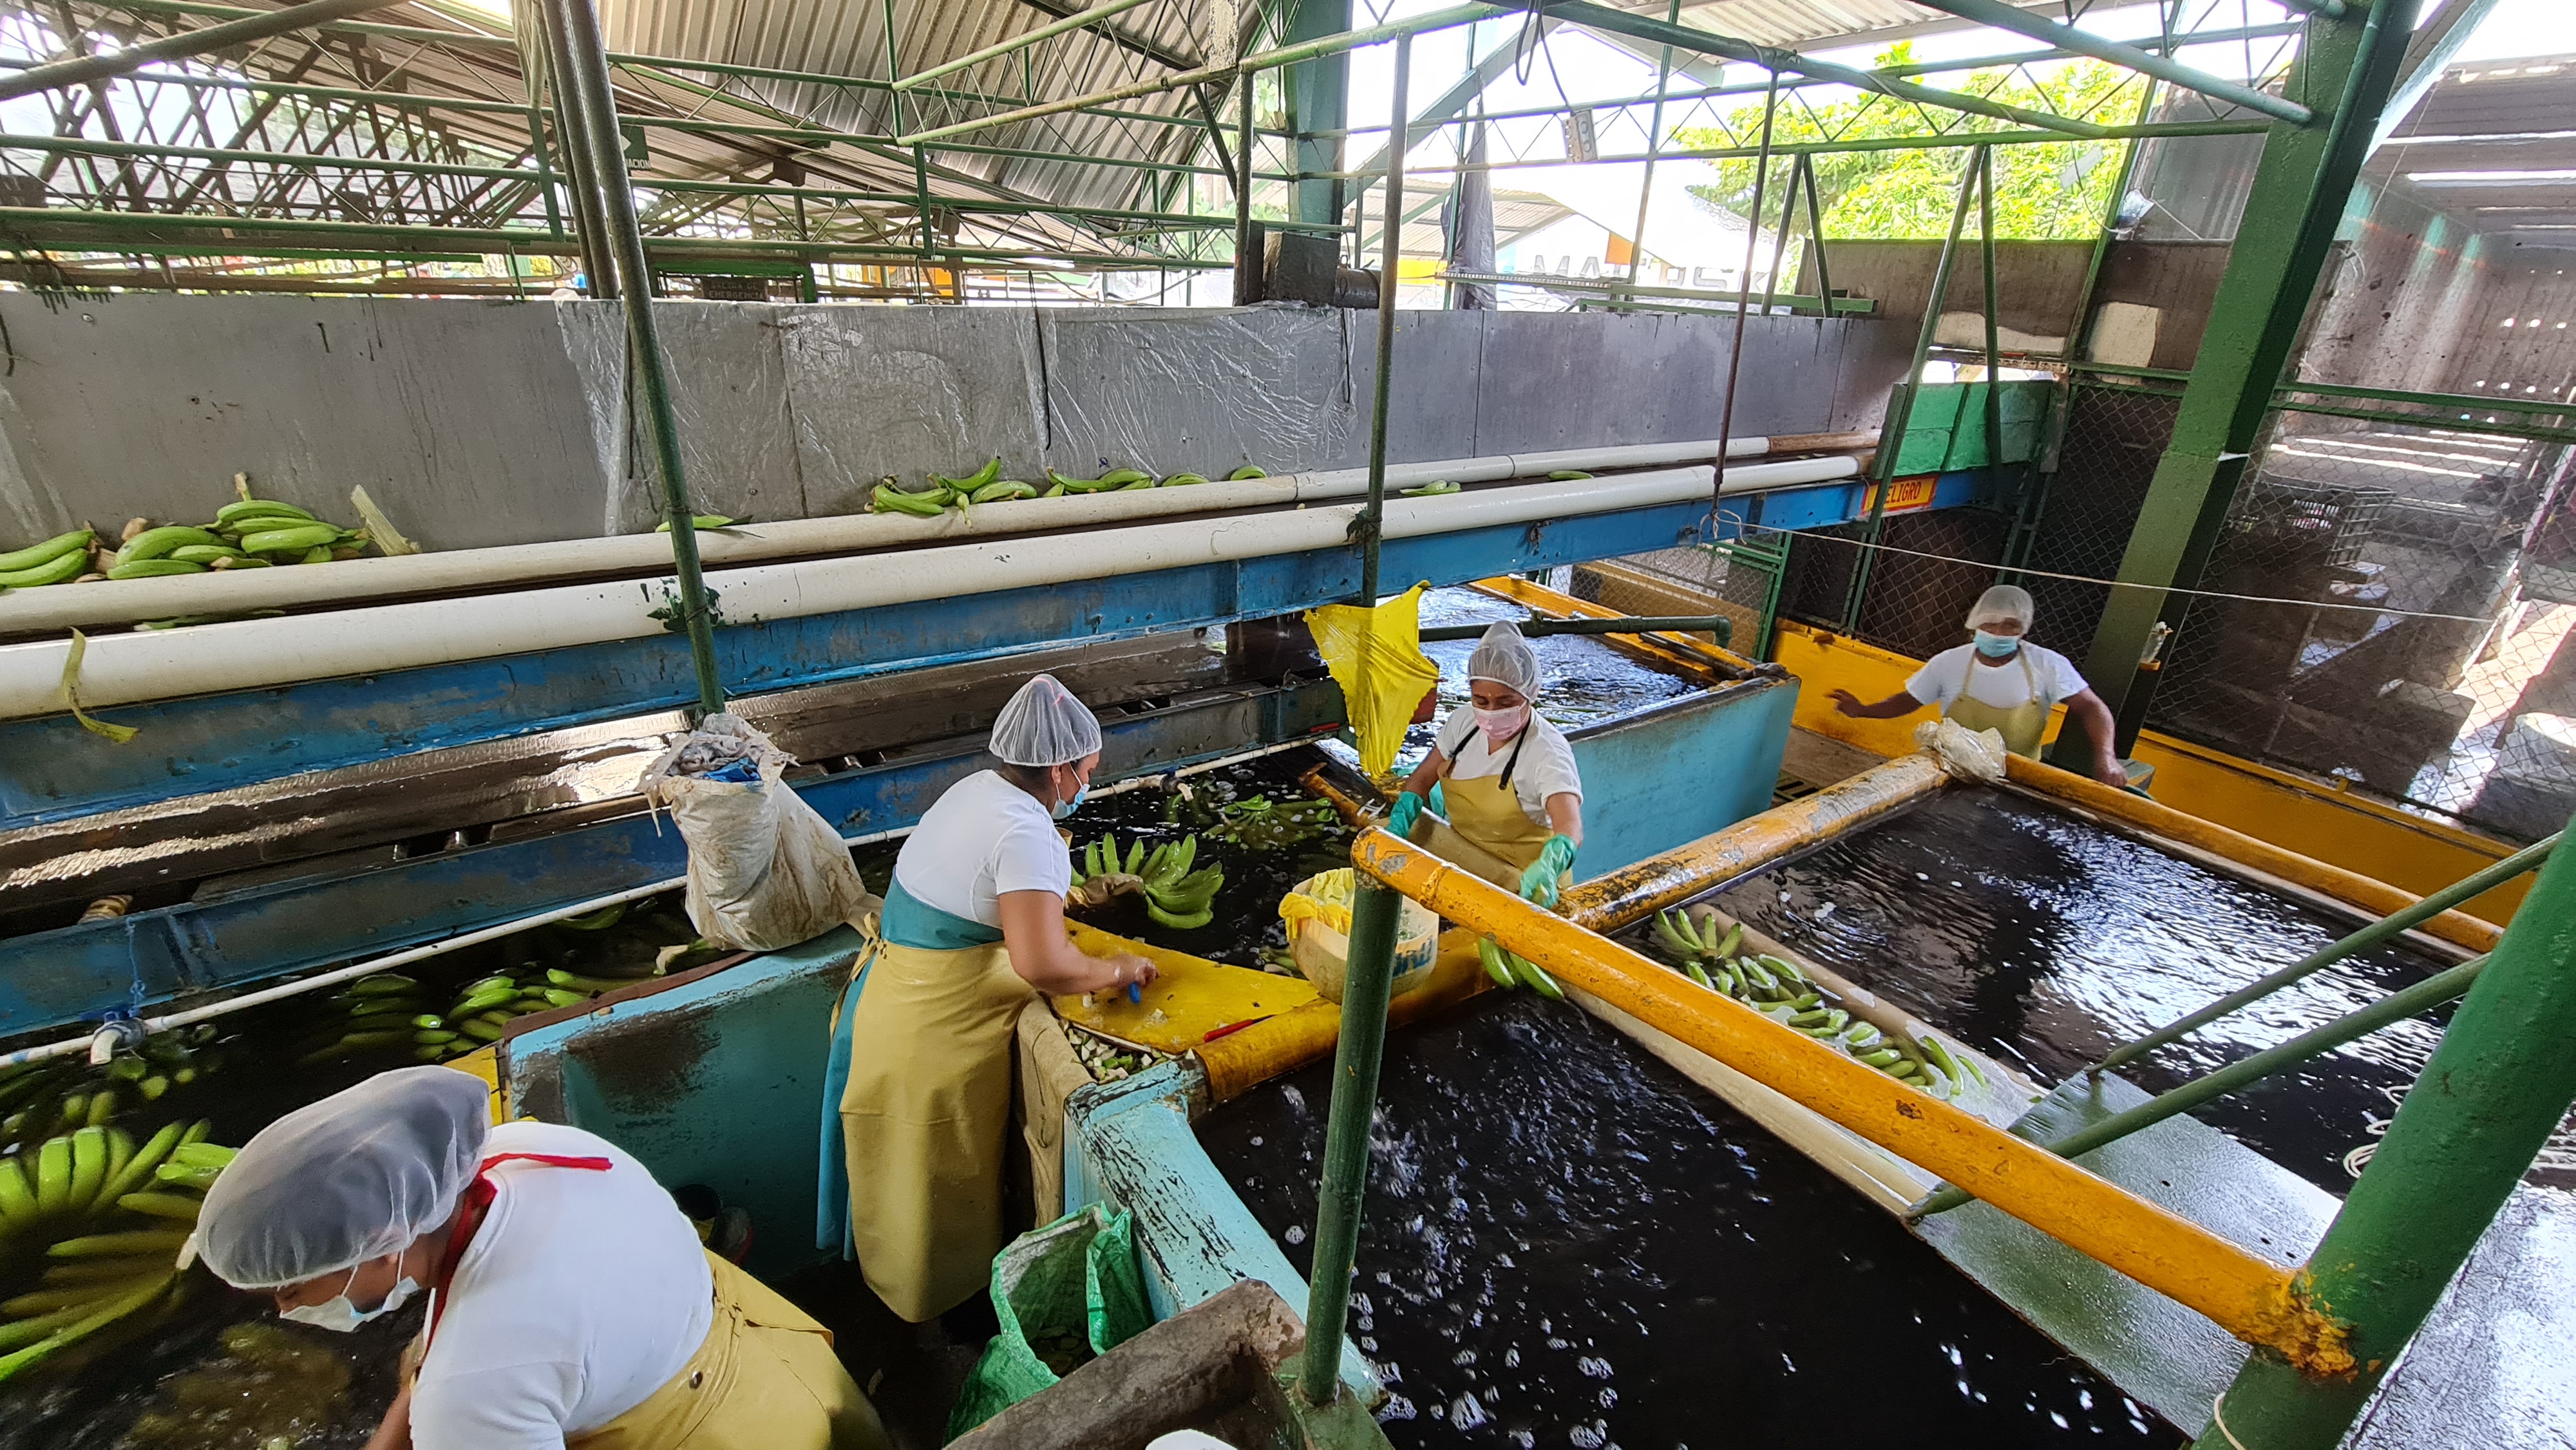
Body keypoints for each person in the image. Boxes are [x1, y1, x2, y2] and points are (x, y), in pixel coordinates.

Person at [193, 1066, 886, 1450]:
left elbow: (486, 1374)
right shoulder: (528, 1149)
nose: (287, 1306)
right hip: (784, 1370)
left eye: (289, 1285)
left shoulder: (475, 1383)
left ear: (384, 1243)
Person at [828, 673, 1157, 1327]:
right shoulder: (1027, 834)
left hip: (892, 998)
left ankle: (903, 1296)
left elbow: (981, 895)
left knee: (891, 1177)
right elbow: (1039, 960)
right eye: (1089, 769)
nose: (1091, 779)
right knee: (930, 1187)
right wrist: (1114, 967)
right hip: (935, 1033)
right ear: (1060, 770)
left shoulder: (976, 791)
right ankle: (941, 1317)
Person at [1829, 584, 2128, 785]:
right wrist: (1863, 710)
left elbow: (2091, 707)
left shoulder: (2048, 665)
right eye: (1990, 624)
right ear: (1975, 626)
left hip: (2018, 776)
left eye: (2010, 625)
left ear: (2023, 629)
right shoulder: (1948, 663)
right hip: (1954, 770)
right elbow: (1909, 700)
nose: (1998, 633)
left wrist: (2106, 758)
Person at [1384, 621, 1584, 906]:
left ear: (1529, 695)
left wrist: (1551, 865)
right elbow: (1422, 779)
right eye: (1481, 700)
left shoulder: (1546, 752)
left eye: (1506, 702)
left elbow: (1570, 827)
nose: (1491, 712)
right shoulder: (1464, 722)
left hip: (1525, 883)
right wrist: (1402, 819)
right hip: (1470, 860)